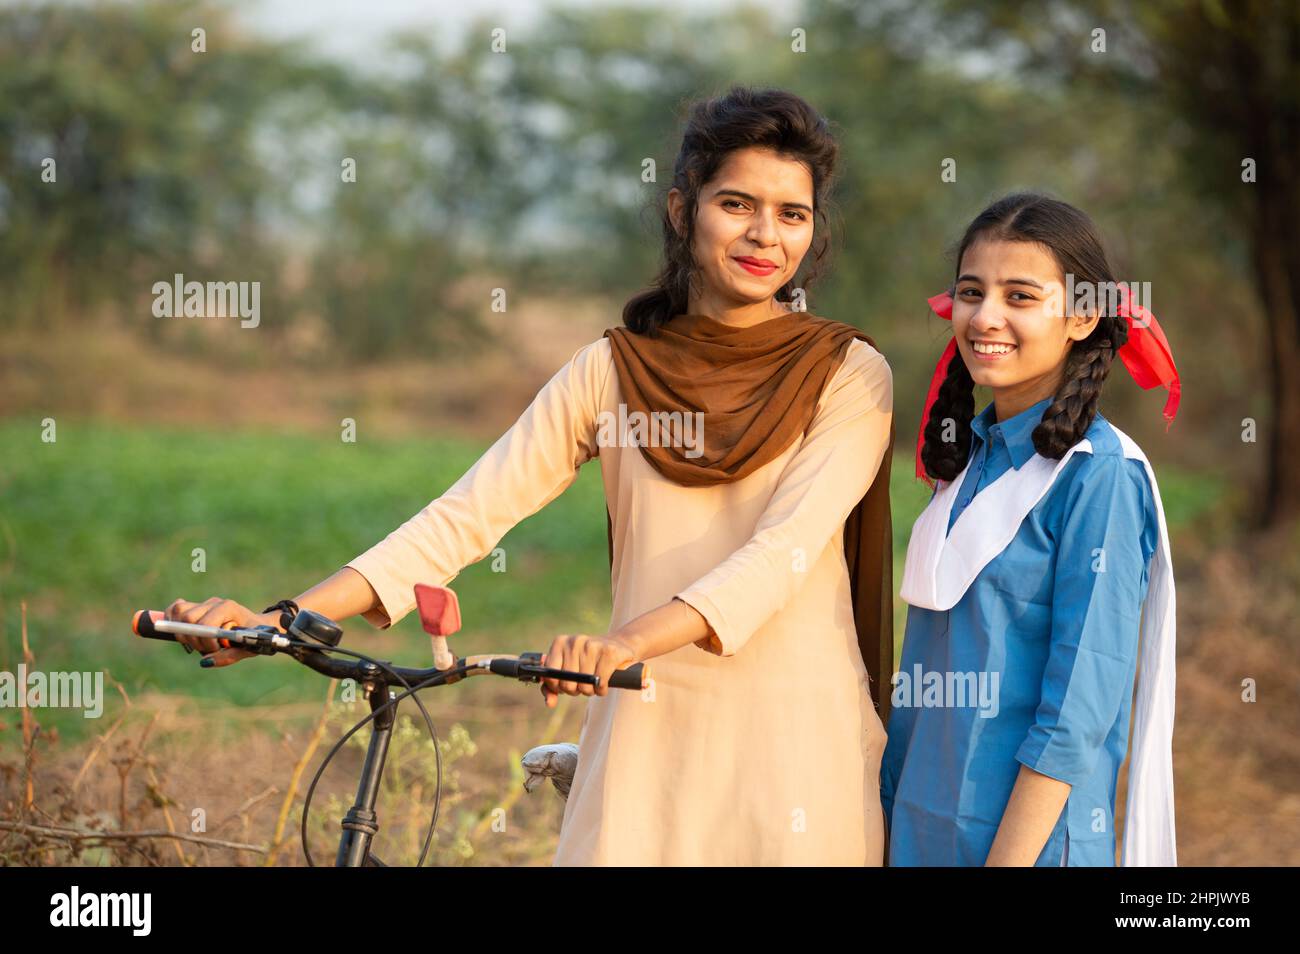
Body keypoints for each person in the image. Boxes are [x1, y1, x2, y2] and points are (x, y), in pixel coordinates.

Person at [161, 86, 896, 865]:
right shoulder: (612, 371)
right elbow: (464, 517)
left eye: (792, 214)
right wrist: (285, 619)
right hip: (644, 726)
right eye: (738, 204)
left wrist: (618, 645)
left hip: (795, 748)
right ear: (683, 212)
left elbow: (780, 558)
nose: (764, 235)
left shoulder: (848, 372)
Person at [880, 192, 1181, 866]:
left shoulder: (1098, 477)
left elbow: (1077, 713)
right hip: (919, 831)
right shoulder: (965, 462)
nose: (985, 317)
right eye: (970, 292)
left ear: (1080, 317)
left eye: (1020, 296)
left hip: (1026, 848)